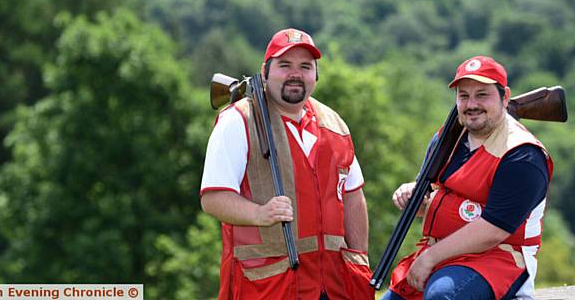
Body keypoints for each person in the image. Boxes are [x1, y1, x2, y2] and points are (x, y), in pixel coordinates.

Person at [200, 28, 375, 300]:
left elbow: (352, 196)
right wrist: (260, 214)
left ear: (315, 75)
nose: (296, 73)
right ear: (265, 71)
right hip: (267, 285)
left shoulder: (335, 124)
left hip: (333, 284)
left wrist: (359, 258)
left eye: (305, 66)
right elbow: (213, 198)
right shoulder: (239, 121)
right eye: (285, 65)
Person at [382, 56, 553, 300]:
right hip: (443, 254)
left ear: (505, 97)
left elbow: (494, 230)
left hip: (497, 258)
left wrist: (429, 258)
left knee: (442, 297)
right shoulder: (448, 138)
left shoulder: (522, 156)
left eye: (482, 95)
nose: (471, 104)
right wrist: (413, 193)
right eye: (464, 96)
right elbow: (431, 195)